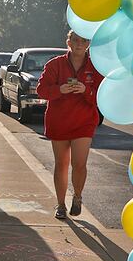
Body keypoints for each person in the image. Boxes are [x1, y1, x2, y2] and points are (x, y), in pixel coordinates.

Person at [36, 30, 104, 219]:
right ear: (69, 42)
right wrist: (60, 89)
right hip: (59, 122)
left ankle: (78, 197)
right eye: (75, 40)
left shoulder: (96, 67)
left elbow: (101, 95)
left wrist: (85, 90)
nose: (79, 44)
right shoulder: (55, 64)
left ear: (89, 44)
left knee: (79, 163)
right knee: (61, 164)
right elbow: (41, 90)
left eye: (83, 41)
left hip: (84, 122)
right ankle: (60, 205)